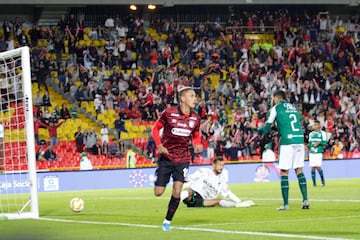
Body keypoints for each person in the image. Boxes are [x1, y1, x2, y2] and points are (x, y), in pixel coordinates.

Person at [152, 85, 203, 231]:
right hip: (166, 157)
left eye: (195, 96)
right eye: (192, 96)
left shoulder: (195, 118)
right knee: (158, 192)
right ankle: (159, 175)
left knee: (177, 191)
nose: (195, 99)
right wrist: (159, 145)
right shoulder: (168, 113)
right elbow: (155, 128)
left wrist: (197, 144)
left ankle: (167, 221)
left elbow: (196, 134)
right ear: (182, 98)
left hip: (183, 158)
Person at [255, 90, 309, 210]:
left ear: (276, 98)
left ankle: (285, 204)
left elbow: (266, 127)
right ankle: (305, 200)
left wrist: (258, 130)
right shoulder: (293, 107)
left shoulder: (276, 108)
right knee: (299, 170)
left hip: (287, 141)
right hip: (299, 140)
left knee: (284, 172)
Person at [180, 157, 255, 208]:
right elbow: (190, 179)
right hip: (194, 195)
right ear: (213, 165)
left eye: (222, 165)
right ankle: (175, 203)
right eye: (219, 165)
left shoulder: (221, 181)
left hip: (204, 201)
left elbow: (228, 193)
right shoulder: (204, 171)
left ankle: (237, 205)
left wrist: (239, 201)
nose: (221, 167)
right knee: (188, 192)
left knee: (219, 201)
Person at [308, 120, 327, 187]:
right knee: (312, 168)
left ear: (319, 126)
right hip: (312, 153)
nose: (315, 126)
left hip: (318, 153)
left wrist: (319, 143)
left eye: (316, 124)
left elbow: (325, 143)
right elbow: (309, 144)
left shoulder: (323, 133)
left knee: (318, 167)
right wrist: (309, 147)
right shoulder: (311, 134)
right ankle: (314, 183)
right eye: (314, 124)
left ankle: (322, 180)